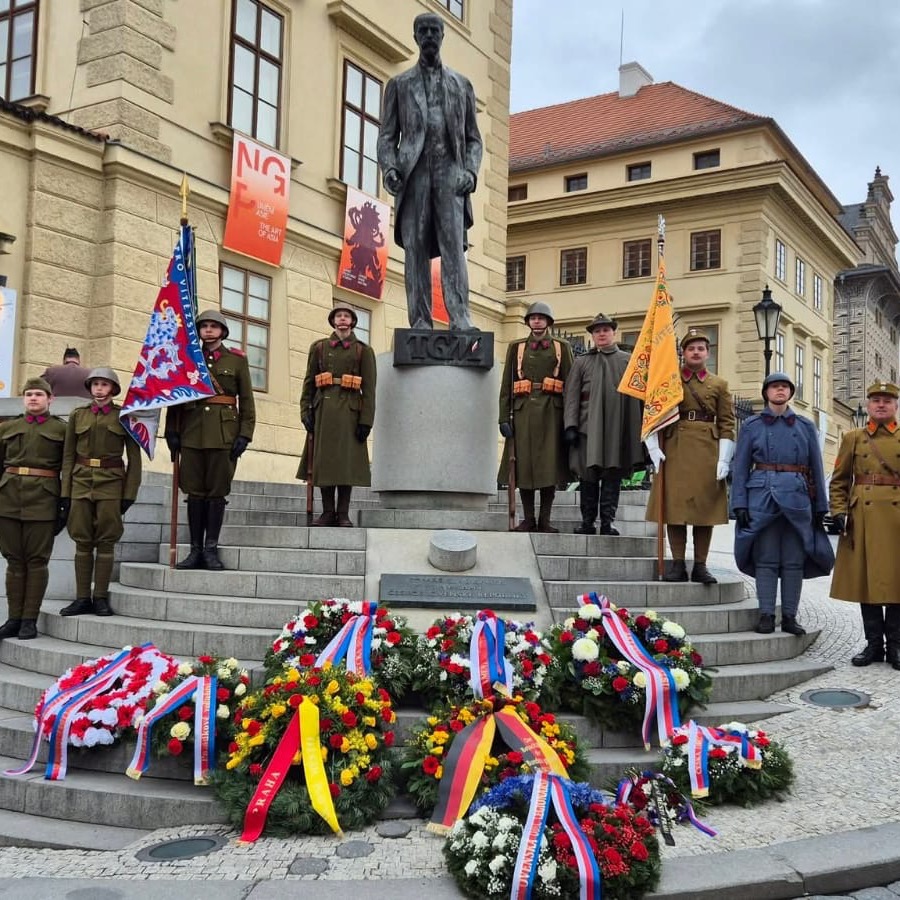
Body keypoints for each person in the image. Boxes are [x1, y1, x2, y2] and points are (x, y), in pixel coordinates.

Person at [376, 11, 483, 331]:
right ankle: (420, 321)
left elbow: (474, 139)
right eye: (423, 31)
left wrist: (471, 172)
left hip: (451, 174)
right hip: (415, 174)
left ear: (442, 35)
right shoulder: (399, 84)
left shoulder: (461, 85)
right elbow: (386, 136)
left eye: (434, 30)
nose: (429, 36)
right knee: (416, 249)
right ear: (415, 37)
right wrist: (390, 168)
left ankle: (460, 317)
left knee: (453, 248)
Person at [731, 373, 833, 635]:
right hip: (761, 497)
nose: (780, 390)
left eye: (785, 387)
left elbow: (816, 468)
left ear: (790, 393)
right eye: (775, 386)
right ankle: (766, 615)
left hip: (798, 499)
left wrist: (820, 507)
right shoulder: (752, 425)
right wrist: (739, 503)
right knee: (765, 559)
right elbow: (741, 467)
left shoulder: (805, 425)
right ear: (766, 392)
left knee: (793, 561)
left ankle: (790, 616)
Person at [164, 309, 255, 570]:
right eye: (204, 326)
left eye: (214, 326)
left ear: (223, 331)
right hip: (191, 433)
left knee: (216, 493)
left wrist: (245, 435)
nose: (209, 330)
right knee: (194, 493)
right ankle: (194, 551)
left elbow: (247, 400)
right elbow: (177, 396)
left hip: (224, 434)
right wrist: (172, 430)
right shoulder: (188, 359)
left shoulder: (236, 360)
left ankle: (211, 550)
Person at [644, 328, 735, 583]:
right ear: (683, 353)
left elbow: (727, 422)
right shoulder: (669, 381)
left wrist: (724, 458)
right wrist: (653, 447)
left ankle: (701, 565)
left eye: (701, 348)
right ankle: (677, 564)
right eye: (691, 348)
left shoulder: (719, 384)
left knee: (704, 512)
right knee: (675, 510)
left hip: (707, 450)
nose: (696, 352)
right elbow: (653, 414)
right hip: (675, 448)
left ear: (708, 352)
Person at [59, 368, 142, 617]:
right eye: (95, 384)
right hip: (81, 482)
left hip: (111, 483)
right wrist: (65, 491)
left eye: (104, 385)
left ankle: (100, 598)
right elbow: (68, 454)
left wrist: (129, 493)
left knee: (106, 542)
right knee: (82, 542)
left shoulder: (124, 416)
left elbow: (134, 459)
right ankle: (82, 597)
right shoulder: (78, 415)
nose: (99, 389)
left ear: (113, 389)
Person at [829, 381, 900, 668]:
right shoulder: (853, 438)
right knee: (865, 581)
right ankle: (873, 646)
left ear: (895, 406)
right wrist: (837, 510)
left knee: (897, 582)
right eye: (875, 400)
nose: (881, 404)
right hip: (863, 518)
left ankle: (895, 646)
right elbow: (840, 480)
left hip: (897, 519)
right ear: (868, 406)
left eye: (887, 400)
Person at [563, 313, 645, 535]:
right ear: (592, 335)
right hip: (587, 428)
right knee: (587, 476)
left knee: (612, 475)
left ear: (613, 333)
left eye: (605, 330)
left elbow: (636, 396)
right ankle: (587, 522)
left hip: (615, 428)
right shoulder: (581, 362)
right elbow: (571, 396)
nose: (601, 334)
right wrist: (570, 425)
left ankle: (608, 522)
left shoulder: (627, 361)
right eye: (597, 331)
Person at [0, 377, 68, 640]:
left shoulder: (62, 430)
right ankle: (13, 618)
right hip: (8, 500)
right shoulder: (8, 427)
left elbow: (68, 466)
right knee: (14, 561)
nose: (33, 398)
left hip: (43, 500)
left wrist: (65, 503)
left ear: (50, 399)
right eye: (29, 394)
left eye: (39, 394)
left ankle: (30, 619)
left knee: (37, 563)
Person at [498, 301, 573, 533]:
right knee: (523, 469)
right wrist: (503, 418)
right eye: (533, 318)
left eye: (541, 318)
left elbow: (571, 385)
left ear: (548, 322)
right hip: (523, 415)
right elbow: (506, 385)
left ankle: (545, 520)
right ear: (528, 321)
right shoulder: (517, 347)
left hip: (552, 413)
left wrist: (570, 422)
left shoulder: (561, 347)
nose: (537, 321)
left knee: (549, 468)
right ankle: (528, 519)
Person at [299, 303, 376, 527]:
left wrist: (366, 421)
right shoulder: (319, 348)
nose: (342, 319)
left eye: (346, 316)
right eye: (338, 316)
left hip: (350, 413)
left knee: (345, 464)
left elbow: (369, 390)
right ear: (333, 321)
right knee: (323, 463)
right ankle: (327, 512)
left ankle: (342, 513)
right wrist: (305, 410)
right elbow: (308, 382)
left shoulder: (363, 350)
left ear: (352, 321)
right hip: (323, 410)